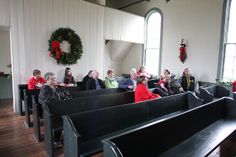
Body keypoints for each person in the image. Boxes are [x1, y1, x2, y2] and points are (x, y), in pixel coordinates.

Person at [38, 72, 72, 148]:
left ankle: (69, 136)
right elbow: (47, 101)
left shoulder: (55, 87)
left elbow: (65, 94)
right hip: (52, 112)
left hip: (60, 109)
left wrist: (65, 97)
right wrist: (60, 101)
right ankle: (56, 140)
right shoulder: (45, 89)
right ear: (47, 80)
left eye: (55, 78)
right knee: (60, 118)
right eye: (52, 79)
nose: (54, 80)